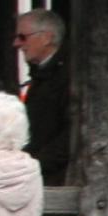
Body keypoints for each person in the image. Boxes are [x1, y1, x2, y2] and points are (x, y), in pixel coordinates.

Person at [15, 10, 70, 183]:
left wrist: (34, 164)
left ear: (46, 38)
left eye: (23, 37)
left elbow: (71, 134)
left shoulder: (68, 76)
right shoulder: (43, 74)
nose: (16, 43)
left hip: (56, 176)